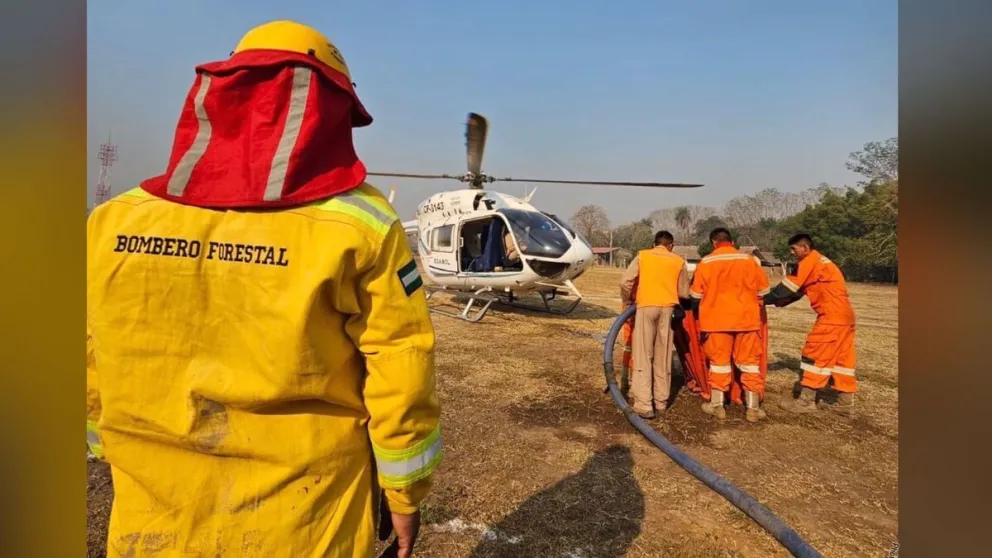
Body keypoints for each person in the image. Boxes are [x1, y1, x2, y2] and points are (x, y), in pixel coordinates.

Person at [85, 20, 442, 558]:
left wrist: (102, 444)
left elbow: (90, 351)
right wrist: (406, 495)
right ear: (330, 112)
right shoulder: (365, 226)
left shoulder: (113, 220)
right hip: (305, 523)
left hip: (151, 517)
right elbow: (402, 368)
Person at [764, 233, 858, 414]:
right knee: (842, 359)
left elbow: (786, 289)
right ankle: (845, 403)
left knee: (815, 355)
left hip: (831, 318)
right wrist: (776, 302)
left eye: (794, 249)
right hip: (846, 317)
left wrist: (759, 299)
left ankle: (806, 401)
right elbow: (796, 293)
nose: (792, 253)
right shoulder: (823, 263)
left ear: (805, 248)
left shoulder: (809, 262)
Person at [688, 228, 770, 422]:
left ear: (713, 243)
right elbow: (764, 291)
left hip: (716, 322)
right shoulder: (749, 260)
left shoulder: (706, 262)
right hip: (747, 321)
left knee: (719, 364)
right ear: (732, 242)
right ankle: (753, 409)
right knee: (750, 364)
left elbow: (695, 296)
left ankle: (717, 406)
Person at [619, 231, 690, 419]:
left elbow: (626, 281)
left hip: (645, 307)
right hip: (667, 309)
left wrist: (628, 300)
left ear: (654, 244)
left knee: (643, 355)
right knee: (663, 355)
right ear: (671, 245)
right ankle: (661, 402)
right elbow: (684, 292)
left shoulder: (643, 256)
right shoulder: (678, 261)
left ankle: (643, 404)